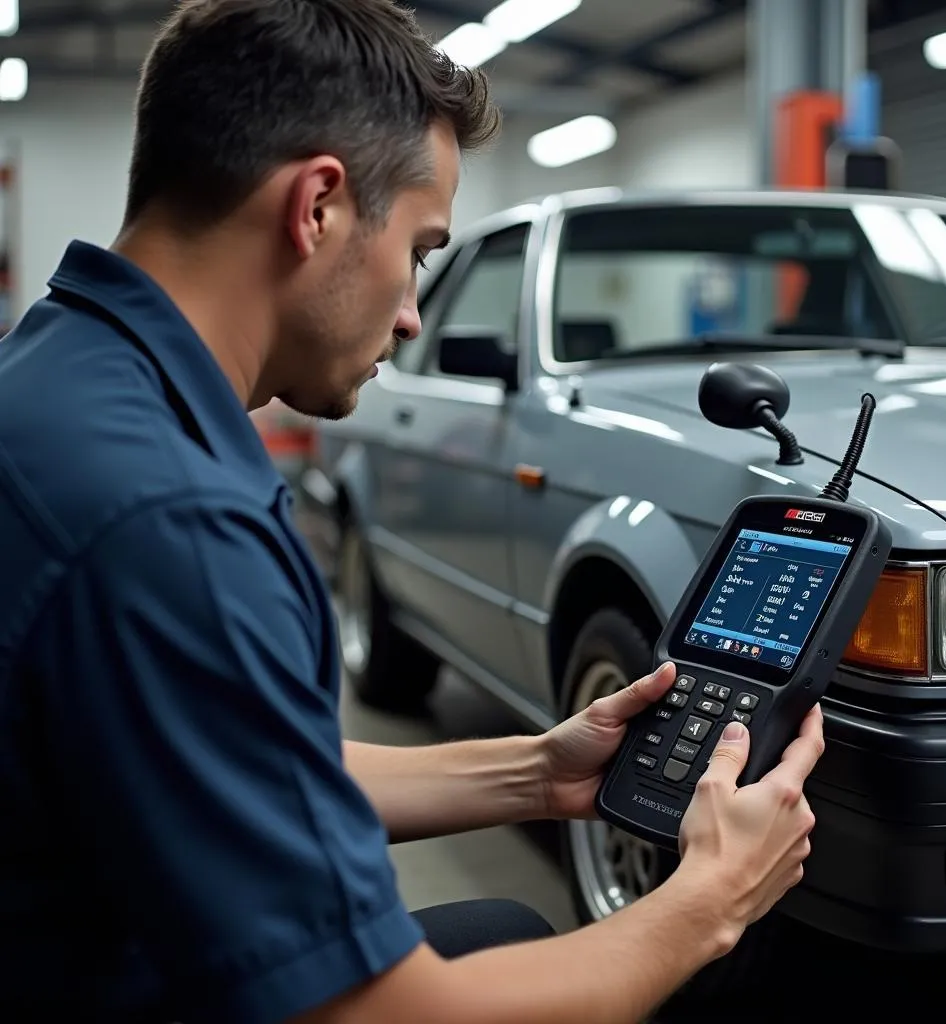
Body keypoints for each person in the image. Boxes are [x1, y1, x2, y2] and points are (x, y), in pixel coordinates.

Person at [0, 1, 825, 1021]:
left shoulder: (57, 375)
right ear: (317, 208)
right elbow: (382, 1013)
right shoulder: (175, 523)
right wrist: (707, 902)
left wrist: (536, 769)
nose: (411, 315)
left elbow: (242, 756)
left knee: (508, 934)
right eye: (422, 251)